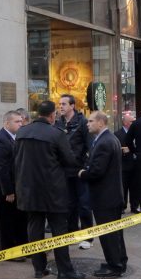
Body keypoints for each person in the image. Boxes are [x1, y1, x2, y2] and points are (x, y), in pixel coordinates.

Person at [15, 100, 85, 279]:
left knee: (35, 229)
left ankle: (39, 268)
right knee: (59, 231)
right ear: (52, 115)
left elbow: (17, 159)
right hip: (53, 191)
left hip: (29, 190)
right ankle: (65, 271)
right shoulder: (57, 134)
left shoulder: (22, 132)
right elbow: (69, 160)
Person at [79, 111, 127, 278]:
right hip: (110, 196)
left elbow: (97, 172)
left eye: (91, 121)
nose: (88, 124)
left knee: (109, 235)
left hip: (106, 198)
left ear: (101, 123)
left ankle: (115, 266)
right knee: (114, 233)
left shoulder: (105, 142)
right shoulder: (108, 139)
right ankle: (119, 261)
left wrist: (82, 173)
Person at [55, 94, 93, 249]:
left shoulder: (83, 123)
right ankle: (72, 232)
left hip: (79, 170)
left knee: (84, 204)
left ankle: (87, 237)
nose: (61, 106)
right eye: (59, 104)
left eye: (64, 104)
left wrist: (86, 167)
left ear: (72, 106)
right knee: (69, 204)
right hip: (64, 170)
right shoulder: (58, 123)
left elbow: (90, 146)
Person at [0, 110, 28, 255]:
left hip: (14, 188)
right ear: (7, 123)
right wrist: (9, 191)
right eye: (17, 121)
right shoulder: (1, 139)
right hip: (4, 191)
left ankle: (20, 248)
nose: (20, 124)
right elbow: (1, 168)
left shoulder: (14, 137)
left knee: (18, 220)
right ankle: (8, 252)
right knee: (6, 223)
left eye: (21, 121)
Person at [114, 112, 138, 213]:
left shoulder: (137, 133)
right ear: (126, 123)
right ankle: (122, 206)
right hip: (124, 166)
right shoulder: (117, 134)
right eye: (132, 121)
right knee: (123, 187)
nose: (134, 123)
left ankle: (134, 206)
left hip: (135, 165)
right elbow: (114, 150)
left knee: (135, 187)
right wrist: (123, 151)